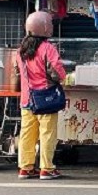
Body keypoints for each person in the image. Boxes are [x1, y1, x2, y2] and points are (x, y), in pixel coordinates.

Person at [15, 11, 66, 181]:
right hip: (45, 99)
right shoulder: (48, 48)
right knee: (47, 134)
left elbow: (19, 72)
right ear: (44, 28)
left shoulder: (20, 50)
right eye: (50, 24)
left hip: (27, 99)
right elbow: (57, 71)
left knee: (27, 134)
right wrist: (63, 78)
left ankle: (25, 167)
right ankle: (47, 168)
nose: (51, 26)